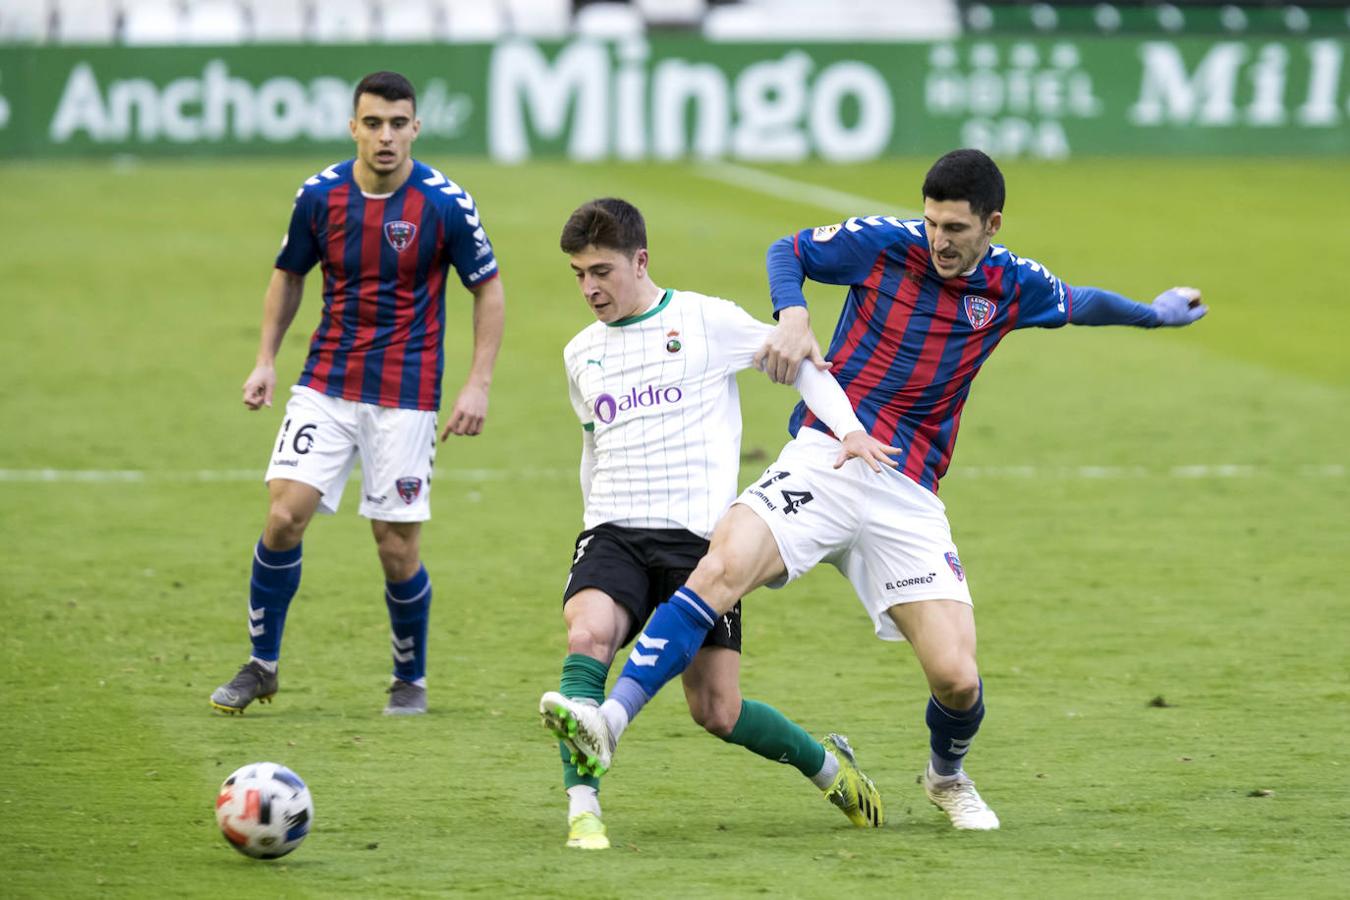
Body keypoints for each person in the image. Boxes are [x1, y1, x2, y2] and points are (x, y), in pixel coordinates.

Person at [539, 149, 1207, 831]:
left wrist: (1154, 315)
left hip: (907, 489)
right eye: (931, 223)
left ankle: (946, 777)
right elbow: (787, 249)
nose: (939, 241)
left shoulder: (1012, 285)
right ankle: (610, 720)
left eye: (954, 228)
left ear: (991, 225)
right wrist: (792, 313)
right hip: (826, 457)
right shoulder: (885, 246)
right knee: (720, 567)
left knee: (958, 678)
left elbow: (1080, 302)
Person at [538, 198, 898, 849]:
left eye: (602, 271)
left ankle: (828, 768)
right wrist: (590, 524)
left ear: (640, 261)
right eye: (577, 274)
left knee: (717, 711)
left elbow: (801, 361)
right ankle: (583, 807)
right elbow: (594, 446)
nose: (589, 287)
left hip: (701, 544)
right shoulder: (580, 353)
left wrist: (848, 431)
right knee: (586, 632)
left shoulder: (706, 320)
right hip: (615, 530)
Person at [209, 71, 505, 717]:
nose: (386, 136)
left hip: (406, 393)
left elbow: (487, 287)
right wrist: (264, 360)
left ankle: (410, 678)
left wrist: (477, 384)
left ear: (415, 128)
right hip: (326, 381)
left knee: (395, 548)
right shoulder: (319, 197)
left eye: (398, 123)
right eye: (373, 123)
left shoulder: (445, 203)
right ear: (354, 128)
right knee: (285, 515)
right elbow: (288, 276)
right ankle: (262, 666)